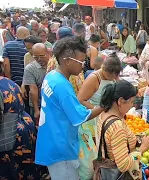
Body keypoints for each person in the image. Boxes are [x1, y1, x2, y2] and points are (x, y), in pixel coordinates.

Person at [35, 36, 104, 180]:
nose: (83, 65)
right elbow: (80, 116)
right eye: (81, 61)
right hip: (61, 147)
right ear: (67, 61)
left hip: (50, 139)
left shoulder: (51, 76)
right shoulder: (63, 87)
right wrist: (105, 105)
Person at [0, 65, 47, 180]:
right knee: (28, 168)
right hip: (25, 127)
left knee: (13, 170)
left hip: (9, 135)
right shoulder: (9, 82)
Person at [97, 80, 149, 175]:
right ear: (120, 101)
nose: (133, 105)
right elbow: (124, 165)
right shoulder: (117, 127)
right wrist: (142, 148)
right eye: (131, 101)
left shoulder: (104, 113)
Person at [47, 26, 85, 95]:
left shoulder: (52, 61)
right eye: (80, 62)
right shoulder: (64, 88)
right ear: (68, 61)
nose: (82, 65)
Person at [23, 43, 49, 122]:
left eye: (42, 56)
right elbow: (33, 89)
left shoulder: (54, 64)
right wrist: (36, 109)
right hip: (37, 103)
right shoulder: (30, 69)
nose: (39, 59)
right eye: (36, 57)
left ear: (47, 53)